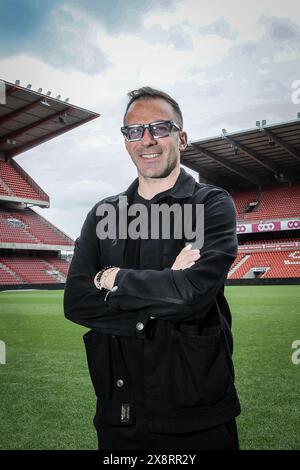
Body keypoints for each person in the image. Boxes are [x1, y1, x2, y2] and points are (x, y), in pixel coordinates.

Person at [64, 86, 241, 450]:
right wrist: (165, 286)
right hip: (119, 411)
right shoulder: (102, 214)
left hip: (196, 414)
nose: (147, 140)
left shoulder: (211, 204)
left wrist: (111, 278)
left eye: (160, 128)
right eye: (134, 131)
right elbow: (77, 302)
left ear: (182, 137)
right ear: (126, 141)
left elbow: (191, 297)